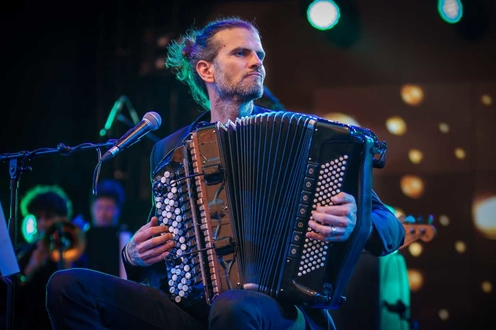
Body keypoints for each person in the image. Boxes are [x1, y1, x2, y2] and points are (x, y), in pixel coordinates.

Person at [46, 17, 405, 329]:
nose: (257, 62)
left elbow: (391, 226)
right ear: (206, 70)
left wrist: (356, 221)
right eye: (241, 53)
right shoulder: (170, 151)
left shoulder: (312, 138)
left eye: (259, 55)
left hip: (281, 308)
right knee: (67, 287)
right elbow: (161, 248)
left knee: (232, 307)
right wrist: (133, 256)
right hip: (192, 311)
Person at [16, 185, 86, 329]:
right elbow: (14, 298)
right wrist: (32, 267)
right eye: (38, 217)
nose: (41, 224)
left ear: (63, 218)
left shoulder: (77, 252)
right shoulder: (26, 253)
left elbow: (82, 298)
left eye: (48, 217)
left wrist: (67, 264)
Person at [84, 179, 132, 278]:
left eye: (109, 208)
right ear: (91, 208)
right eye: (99, 208)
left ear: (118, 210)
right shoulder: (82, 236)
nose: (103, 213)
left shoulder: (126, 238)